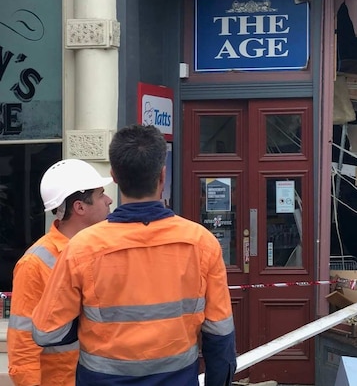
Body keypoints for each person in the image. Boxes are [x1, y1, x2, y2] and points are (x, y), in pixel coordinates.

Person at [31, 124, 237, 385]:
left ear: (114, 176)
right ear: (162, 176)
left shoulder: (81, 248)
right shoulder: (201, 243)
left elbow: (47, 332)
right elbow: (219, 335)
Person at [7, 159, 114, 386]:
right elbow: (23, 345)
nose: (109, 200)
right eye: (101, 194)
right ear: (80, 207)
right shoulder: (34, 264)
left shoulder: (103, 251)